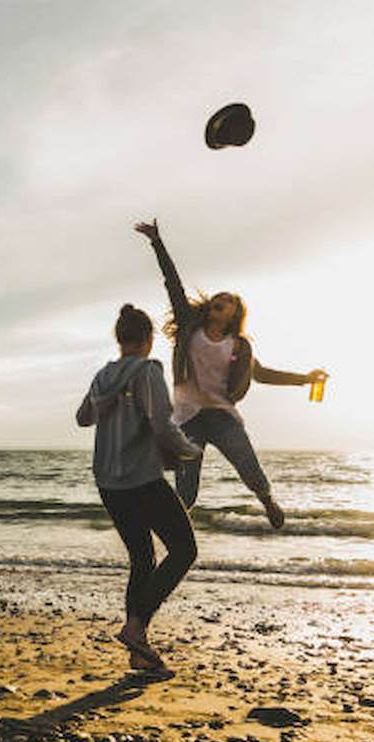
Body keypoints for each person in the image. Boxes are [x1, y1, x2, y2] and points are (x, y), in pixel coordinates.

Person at [134, 219, 327, 528]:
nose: (218, 302)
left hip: (221, 415)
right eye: (217, 299)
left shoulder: (238, 346)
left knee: (246, 462)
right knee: (186, 482)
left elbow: (263, 374)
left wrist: (305, 379)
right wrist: (156, 242)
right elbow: (173, 284)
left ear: (234, 315)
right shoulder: (189, 329)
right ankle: (175, 528)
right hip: (187, 418)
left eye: (227, 302)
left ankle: (267, 499)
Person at [77, 304, 202, 672]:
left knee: (142, 557)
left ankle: (138, 652)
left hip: (108, 482)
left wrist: (110, 401)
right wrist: (190, 450)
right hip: (143, 478)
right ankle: (135, 626)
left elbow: (83, 418)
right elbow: (162, 425)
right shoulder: (148, 371)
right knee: (184, 549)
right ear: (148, 340)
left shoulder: (103, 375)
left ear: (119, 339)